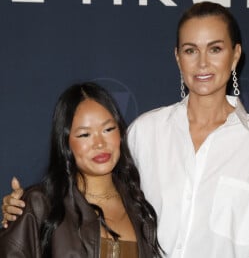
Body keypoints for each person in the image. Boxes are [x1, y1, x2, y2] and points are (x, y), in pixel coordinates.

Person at [2, 2, 249, 258]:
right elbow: (93, 190)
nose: (203, 63)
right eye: (191, 50)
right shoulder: (146, 132)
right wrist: (29, 206)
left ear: (235, 55)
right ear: (178, 58)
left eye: (215, 49)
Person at [0, 82, 163, 257]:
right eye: (85, 134)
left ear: (120, 133)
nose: (100, 143)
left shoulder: (139, 208)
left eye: (108, 129)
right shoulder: (41, 204)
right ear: (66, 143)